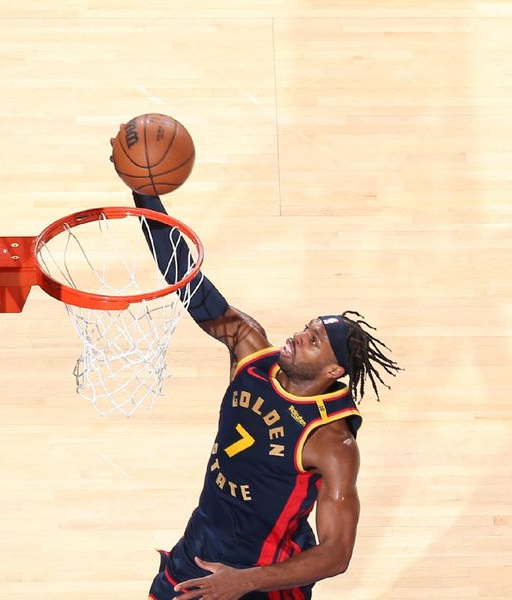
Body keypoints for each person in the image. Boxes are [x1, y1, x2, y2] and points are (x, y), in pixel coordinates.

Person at [134, 192, 401, 600]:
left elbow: (337, 553)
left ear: (333, 372)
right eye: (305, 328)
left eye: (313, 341)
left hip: (264, 582)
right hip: (197, 555)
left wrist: (242, 581)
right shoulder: (251, 353)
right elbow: (188, 281)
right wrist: (144, 191)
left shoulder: (331, 442)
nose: (296, 337)